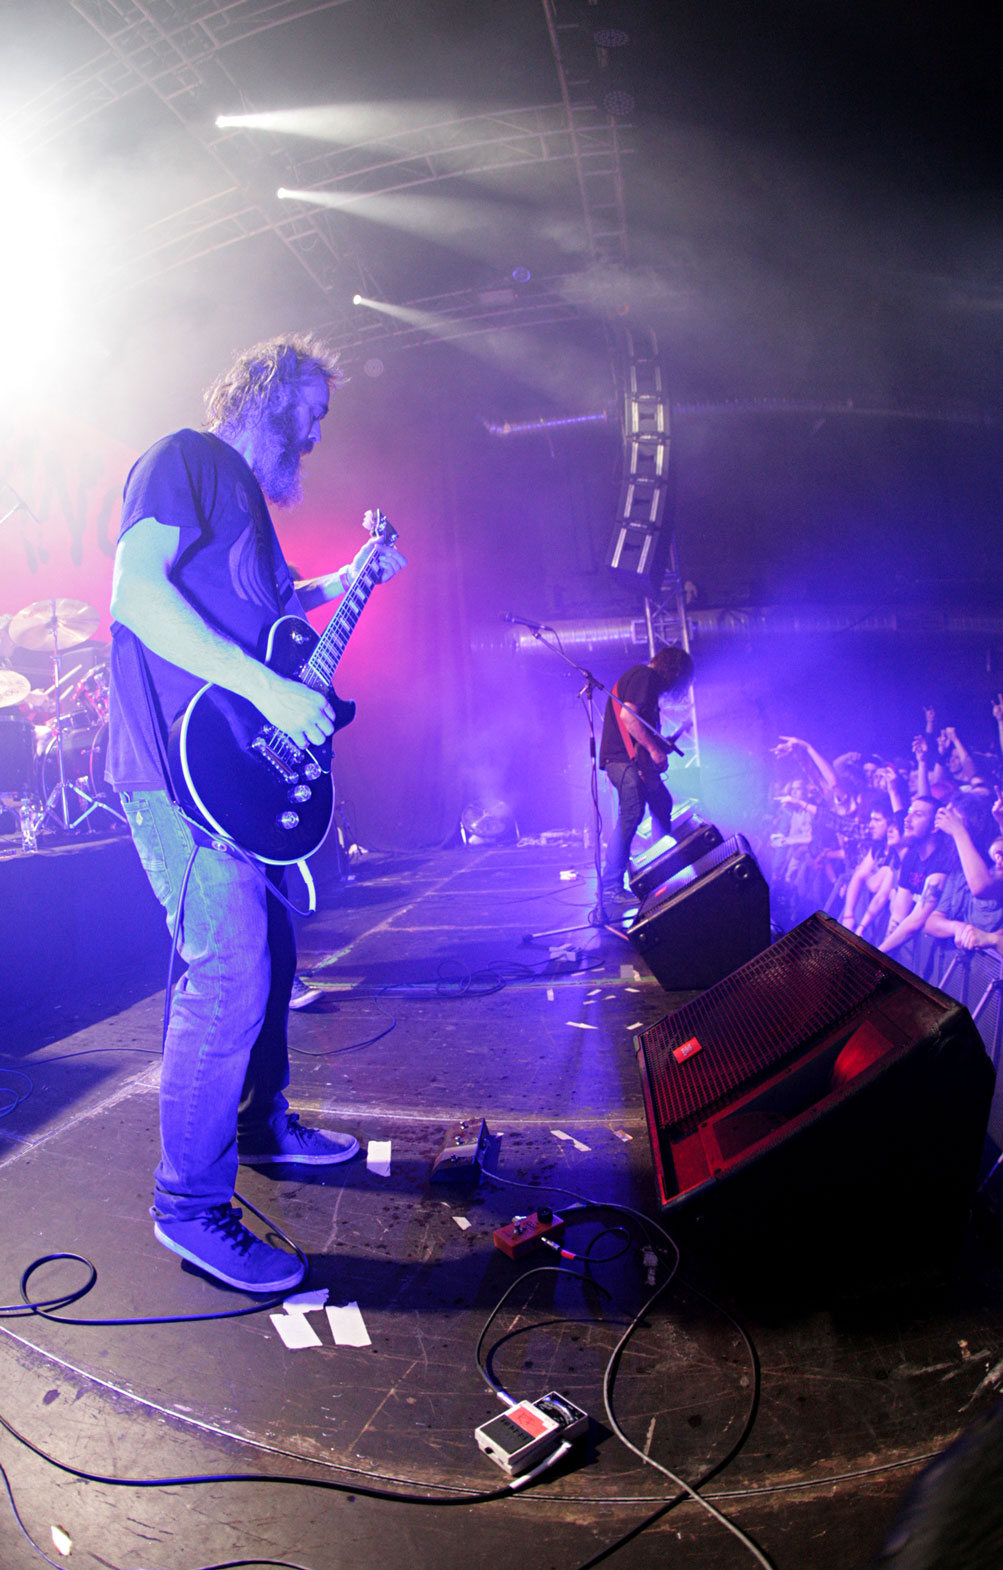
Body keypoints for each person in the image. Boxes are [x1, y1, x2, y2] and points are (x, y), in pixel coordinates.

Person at [106, 334, 406, 1293]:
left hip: (237, 771)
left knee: (270, 958)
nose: (315, 436)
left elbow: (274, 615)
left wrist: (350, 578)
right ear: (266, 393)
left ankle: (262, 1126)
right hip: (176, 767)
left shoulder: (248, 508)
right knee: (230, 969)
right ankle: (188, 1206)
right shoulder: (184, 460)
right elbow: (135, 594)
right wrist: (271, 694)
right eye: (309, 413)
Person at [599, 644, 694, 901]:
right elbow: (628, 717)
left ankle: (661, 868)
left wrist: (665, 742)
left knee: (662, 804)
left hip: (630, 760)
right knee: (631, 815)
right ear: (674, 671)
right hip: (622, 760)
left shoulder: (646, 684)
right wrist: (654, 750)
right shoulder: (645, 676)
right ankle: (610, 886)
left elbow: (643, 737)